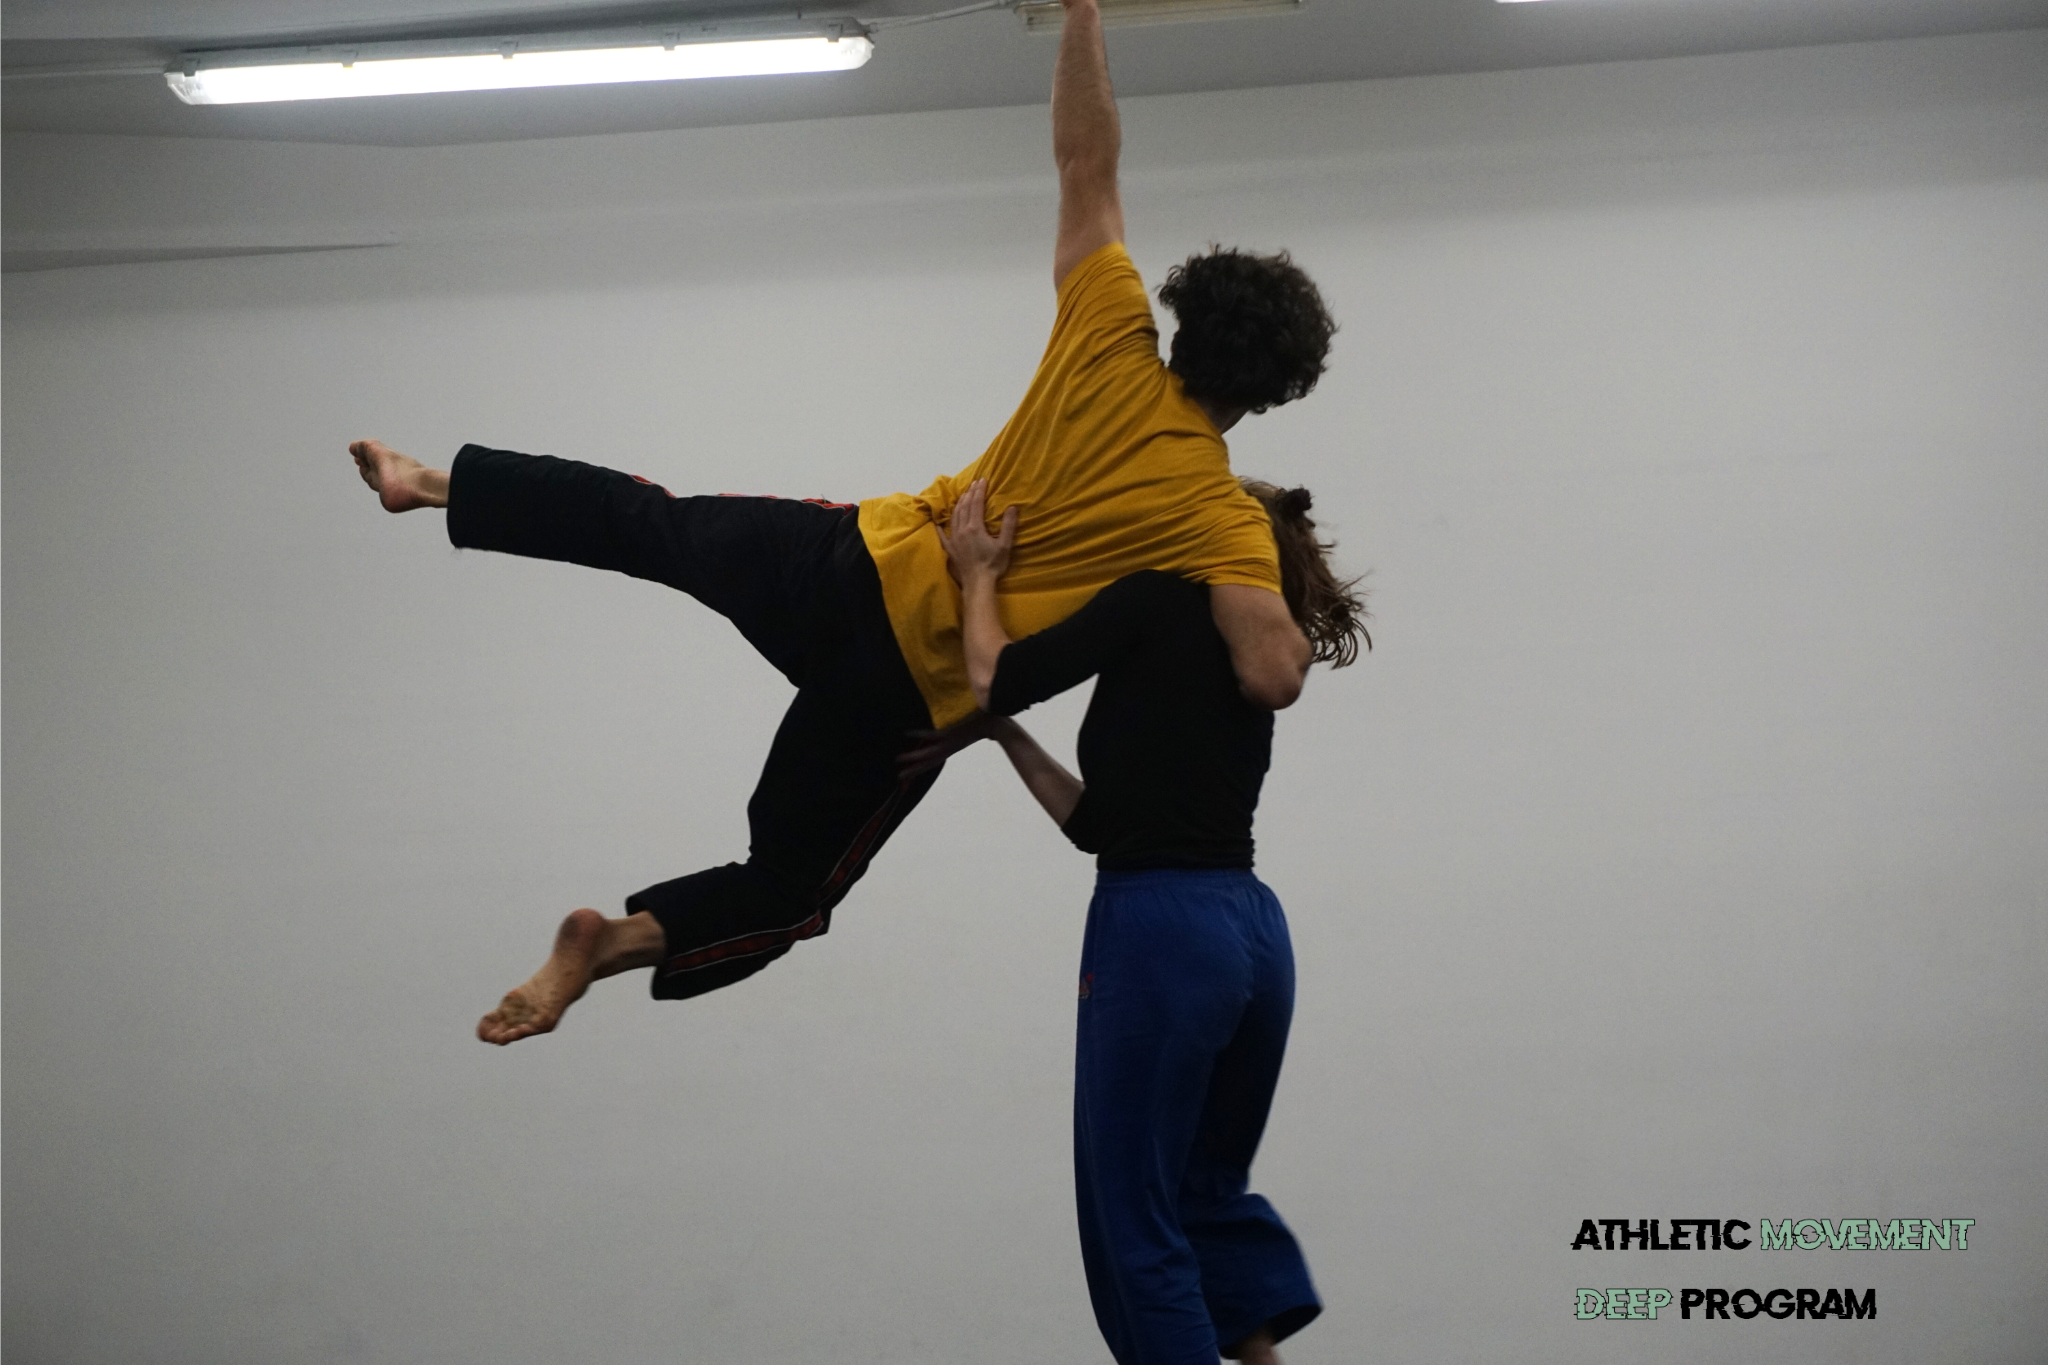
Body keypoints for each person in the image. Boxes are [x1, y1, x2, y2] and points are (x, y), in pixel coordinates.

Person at [347, 0, 1337, 1044]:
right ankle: (615, 940)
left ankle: (435, 483)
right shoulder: (1219, 517)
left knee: (647, 521)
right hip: (905, 693)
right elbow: (1273, 675)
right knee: (787, 888)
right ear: (1275, 393)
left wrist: (1082, 11)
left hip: (852, 560)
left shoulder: (1108, 330)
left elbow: (1084, 157)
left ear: (1188, 314)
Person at [909, 476, 1366, 1365]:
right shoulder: (1243, 640)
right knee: (1202, 1190)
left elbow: (998, 676)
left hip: (1160, 931)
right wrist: (1001, 738)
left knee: (1135, 1217)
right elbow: (1103, 826)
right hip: (1251, 932)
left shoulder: (1154, 597)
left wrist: (979, 574)